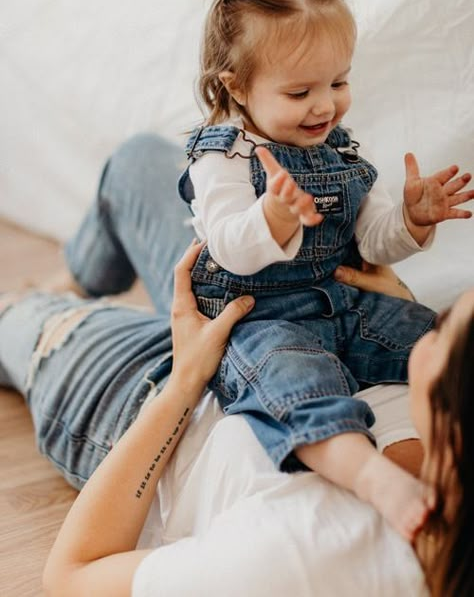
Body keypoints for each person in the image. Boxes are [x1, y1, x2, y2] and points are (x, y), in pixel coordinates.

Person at [0, 132, 473, 596]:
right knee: (137, 162)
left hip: (154, 403)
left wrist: (183, 383)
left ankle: (43, 303)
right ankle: (71, 284)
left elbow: (71, 575)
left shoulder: (301, 553)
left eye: (446, 328)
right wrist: (392, 301)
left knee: (14, 316)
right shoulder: (433, 402)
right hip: (277, 316)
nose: (431, 327)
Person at [177, 0, 474, 540]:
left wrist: (413, 221)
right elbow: (230, 244)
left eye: (338, 82)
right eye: (299, 92)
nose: (325, 106)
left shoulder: (338, 151)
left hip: (343, 302)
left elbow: (373, 240)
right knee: (297, 383)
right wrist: (274, 219)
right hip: (260, 321)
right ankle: (374, 477)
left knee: (436, 338)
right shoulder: (223, 157)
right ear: (236, 86)